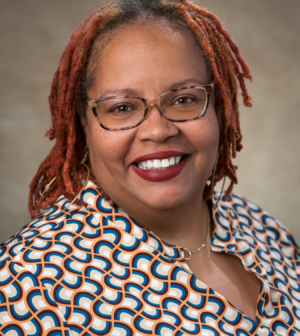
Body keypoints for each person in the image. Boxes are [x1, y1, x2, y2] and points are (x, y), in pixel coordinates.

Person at [0, 0, 299, 335]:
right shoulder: (26, 287)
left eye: (184, 99)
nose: (158, 130)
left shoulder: (264, 229)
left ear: (217, 106)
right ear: (82, 124)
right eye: (122, 107)